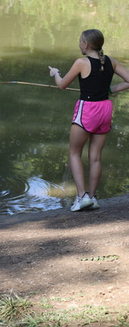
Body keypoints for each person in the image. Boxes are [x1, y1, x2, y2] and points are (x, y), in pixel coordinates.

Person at [48, 29, 129, 211]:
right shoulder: (111, 62)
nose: (79, 44)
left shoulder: (81, 63)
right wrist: (111, 90)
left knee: (75, 152)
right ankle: (92, 197)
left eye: (80, 41)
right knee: (95, 157)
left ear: (85, 44)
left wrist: (55, 73)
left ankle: (82, 196)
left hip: (88, 109)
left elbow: (62, 85)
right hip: (105, 109)